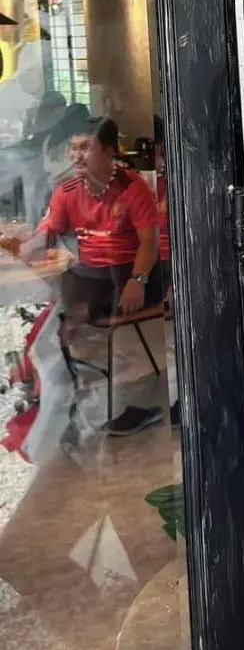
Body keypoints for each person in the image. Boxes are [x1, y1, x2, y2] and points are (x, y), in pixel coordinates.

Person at [18, 115, 165, 436]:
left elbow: (150, 243)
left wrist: (137, 280)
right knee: (58, 295)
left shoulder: (133, 188)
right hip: (91, 280)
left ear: (110, 152)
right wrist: (21, 247)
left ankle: (83, 402)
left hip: (130, 276)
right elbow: (47, 234)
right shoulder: (67, 191)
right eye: (73, 148)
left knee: (62, 309)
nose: (76, 156)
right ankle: (56, 390)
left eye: (85, 147)